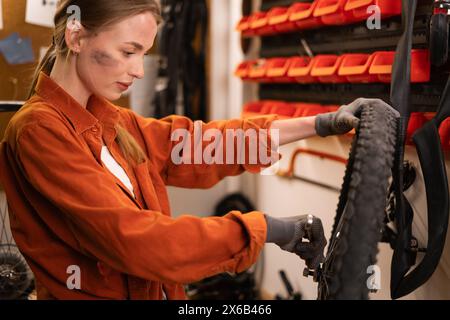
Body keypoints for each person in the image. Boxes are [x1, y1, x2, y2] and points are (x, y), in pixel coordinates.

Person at [0, 0, 398, 300]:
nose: (139, 70)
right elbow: (138, 241)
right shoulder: (38, 131)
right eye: (128, 51)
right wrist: (266, 229)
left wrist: (318, 123)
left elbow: (198, 144)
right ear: (76, 35)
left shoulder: (113, 122)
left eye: (144, 53)